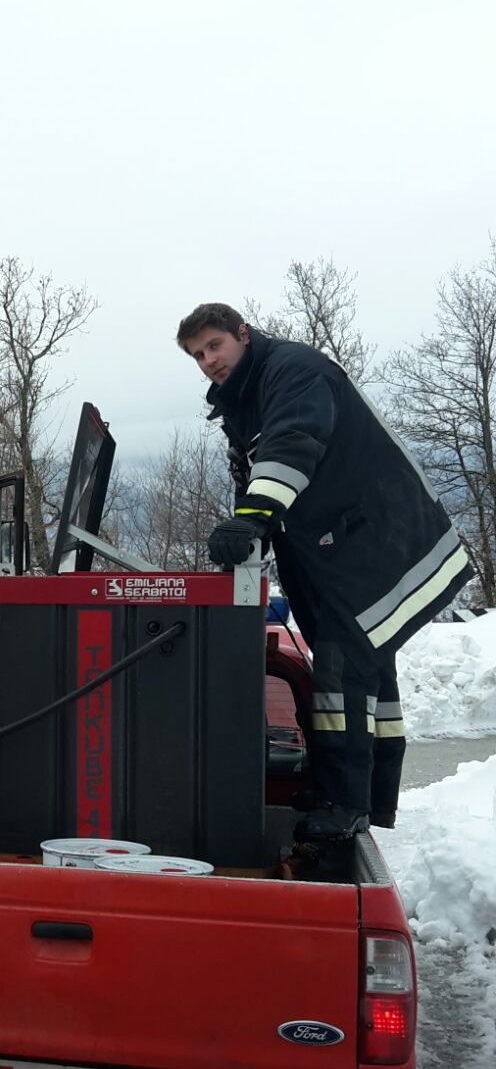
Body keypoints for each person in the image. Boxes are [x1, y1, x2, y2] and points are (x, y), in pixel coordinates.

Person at [176, 302, 472, 841]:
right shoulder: (244, 397)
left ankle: (345, 803)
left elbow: (294, 442)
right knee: (368, 673)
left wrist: (253, 519)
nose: (208, 361)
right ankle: (371, 799)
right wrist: (252, 531)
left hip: (380, 543)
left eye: (214, 345)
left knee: (341, 671)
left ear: (242, 334)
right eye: (198, 355)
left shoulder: (293, 371)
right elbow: (255, 472)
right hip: (343, 547)